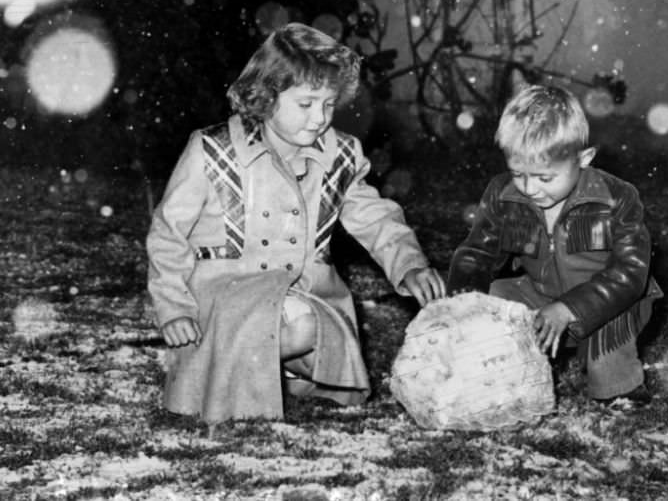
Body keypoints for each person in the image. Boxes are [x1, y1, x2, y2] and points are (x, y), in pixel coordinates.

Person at [147, 22, 446, 422]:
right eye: (306, 104)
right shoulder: (212, 150)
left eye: (328, 104)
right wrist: (175, 309)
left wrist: (408, 263)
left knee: (306, 326)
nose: (319, 118)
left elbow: (376, 218)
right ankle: (228, 367)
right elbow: (169, 235)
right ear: (267, 97)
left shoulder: (341, 155)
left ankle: (270, 369)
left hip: (305, 296)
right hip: (227, 297)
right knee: (292, 326)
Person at [447, 84, 662, 405]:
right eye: (519, 173)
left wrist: (570, 308)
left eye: (545, 178)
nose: (530, 188)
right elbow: (477, 253)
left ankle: (623, 385)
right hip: (538, 291)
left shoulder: (617, 198)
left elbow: (629, 274)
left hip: (608, 301)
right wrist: (460, 303)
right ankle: (504, 373)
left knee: (610, 379)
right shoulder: (504, 195)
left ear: (584, 158)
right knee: (487, 302)